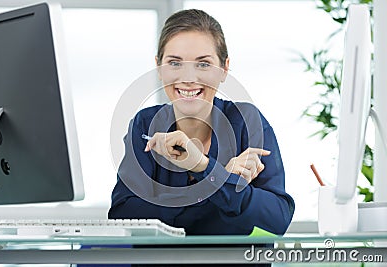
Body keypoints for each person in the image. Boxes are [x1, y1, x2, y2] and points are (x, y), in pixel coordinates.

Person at [108, 8, 294, 266]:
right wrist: (222, 182)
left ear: (224, 69)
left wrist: (203, 167)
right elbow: (124, 215)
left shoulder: (247, 121)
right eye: (174, 63)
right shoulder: (145, 124)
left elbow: (277, 219)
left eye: (203, 64)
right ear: (159, 68)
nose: (188, 78)